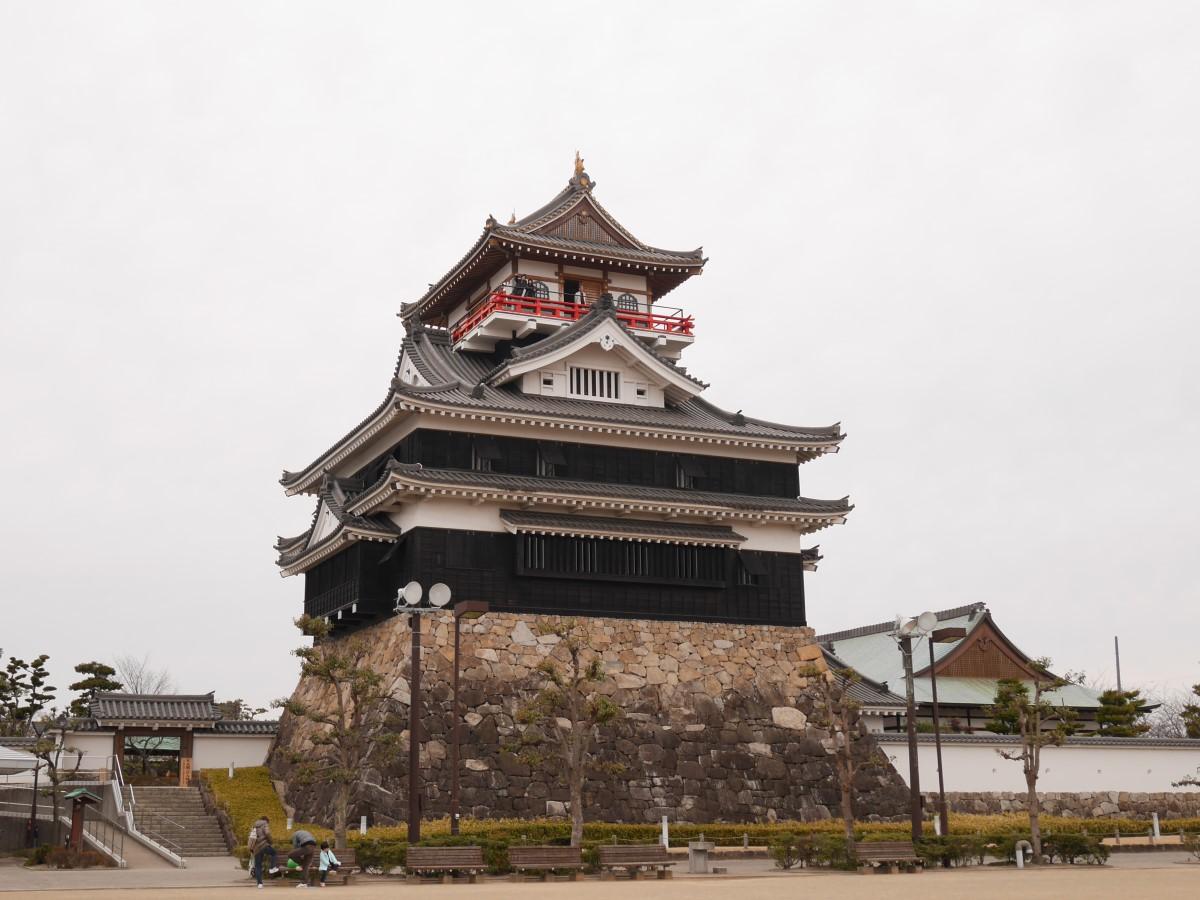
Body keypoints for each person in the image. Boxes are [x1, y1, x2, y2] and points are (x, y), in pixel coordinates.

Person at [249, 815, 279, 888]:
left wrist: (251, 848)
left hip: (256, 848)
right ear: (266, 820)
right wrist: (271, 842)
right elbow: (267, 833)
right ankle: (272, 868)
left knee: (258, 866)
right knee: (274, 853)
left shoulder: (254, 826)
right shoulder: (265, 824)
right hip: (264, 845)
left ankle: (260, 884)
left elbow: (251, 838)